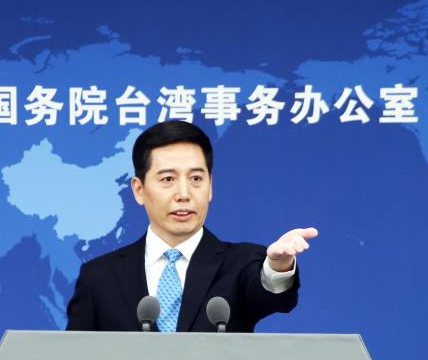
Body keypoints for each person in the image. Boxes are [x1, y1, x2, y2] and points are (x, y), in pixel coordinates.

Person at [65, 120, 317, 332]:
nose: (184, 194)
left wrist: (277, 267)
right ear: (139, 190)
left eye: (196, 178)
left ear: (210, 187)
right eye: (168, 179)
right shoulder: (99, 277)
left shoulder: (241, 263)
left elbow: (271, 297)